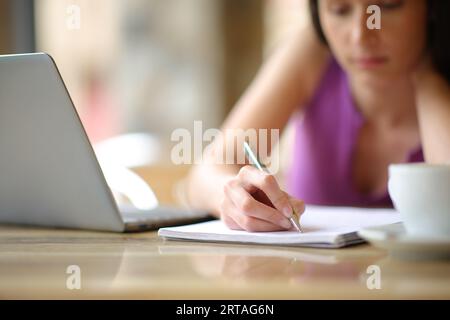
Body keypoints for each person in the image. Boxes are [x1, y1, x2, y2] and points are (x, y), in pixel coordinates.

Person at [186, 0, 450, 232]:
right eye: (339, 9)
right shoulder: (313, 52)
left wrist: (429, 82)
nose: (360, 35)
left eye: (388, 5)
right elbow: (204, 175)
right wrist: (236, 197)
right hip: (307, 286)